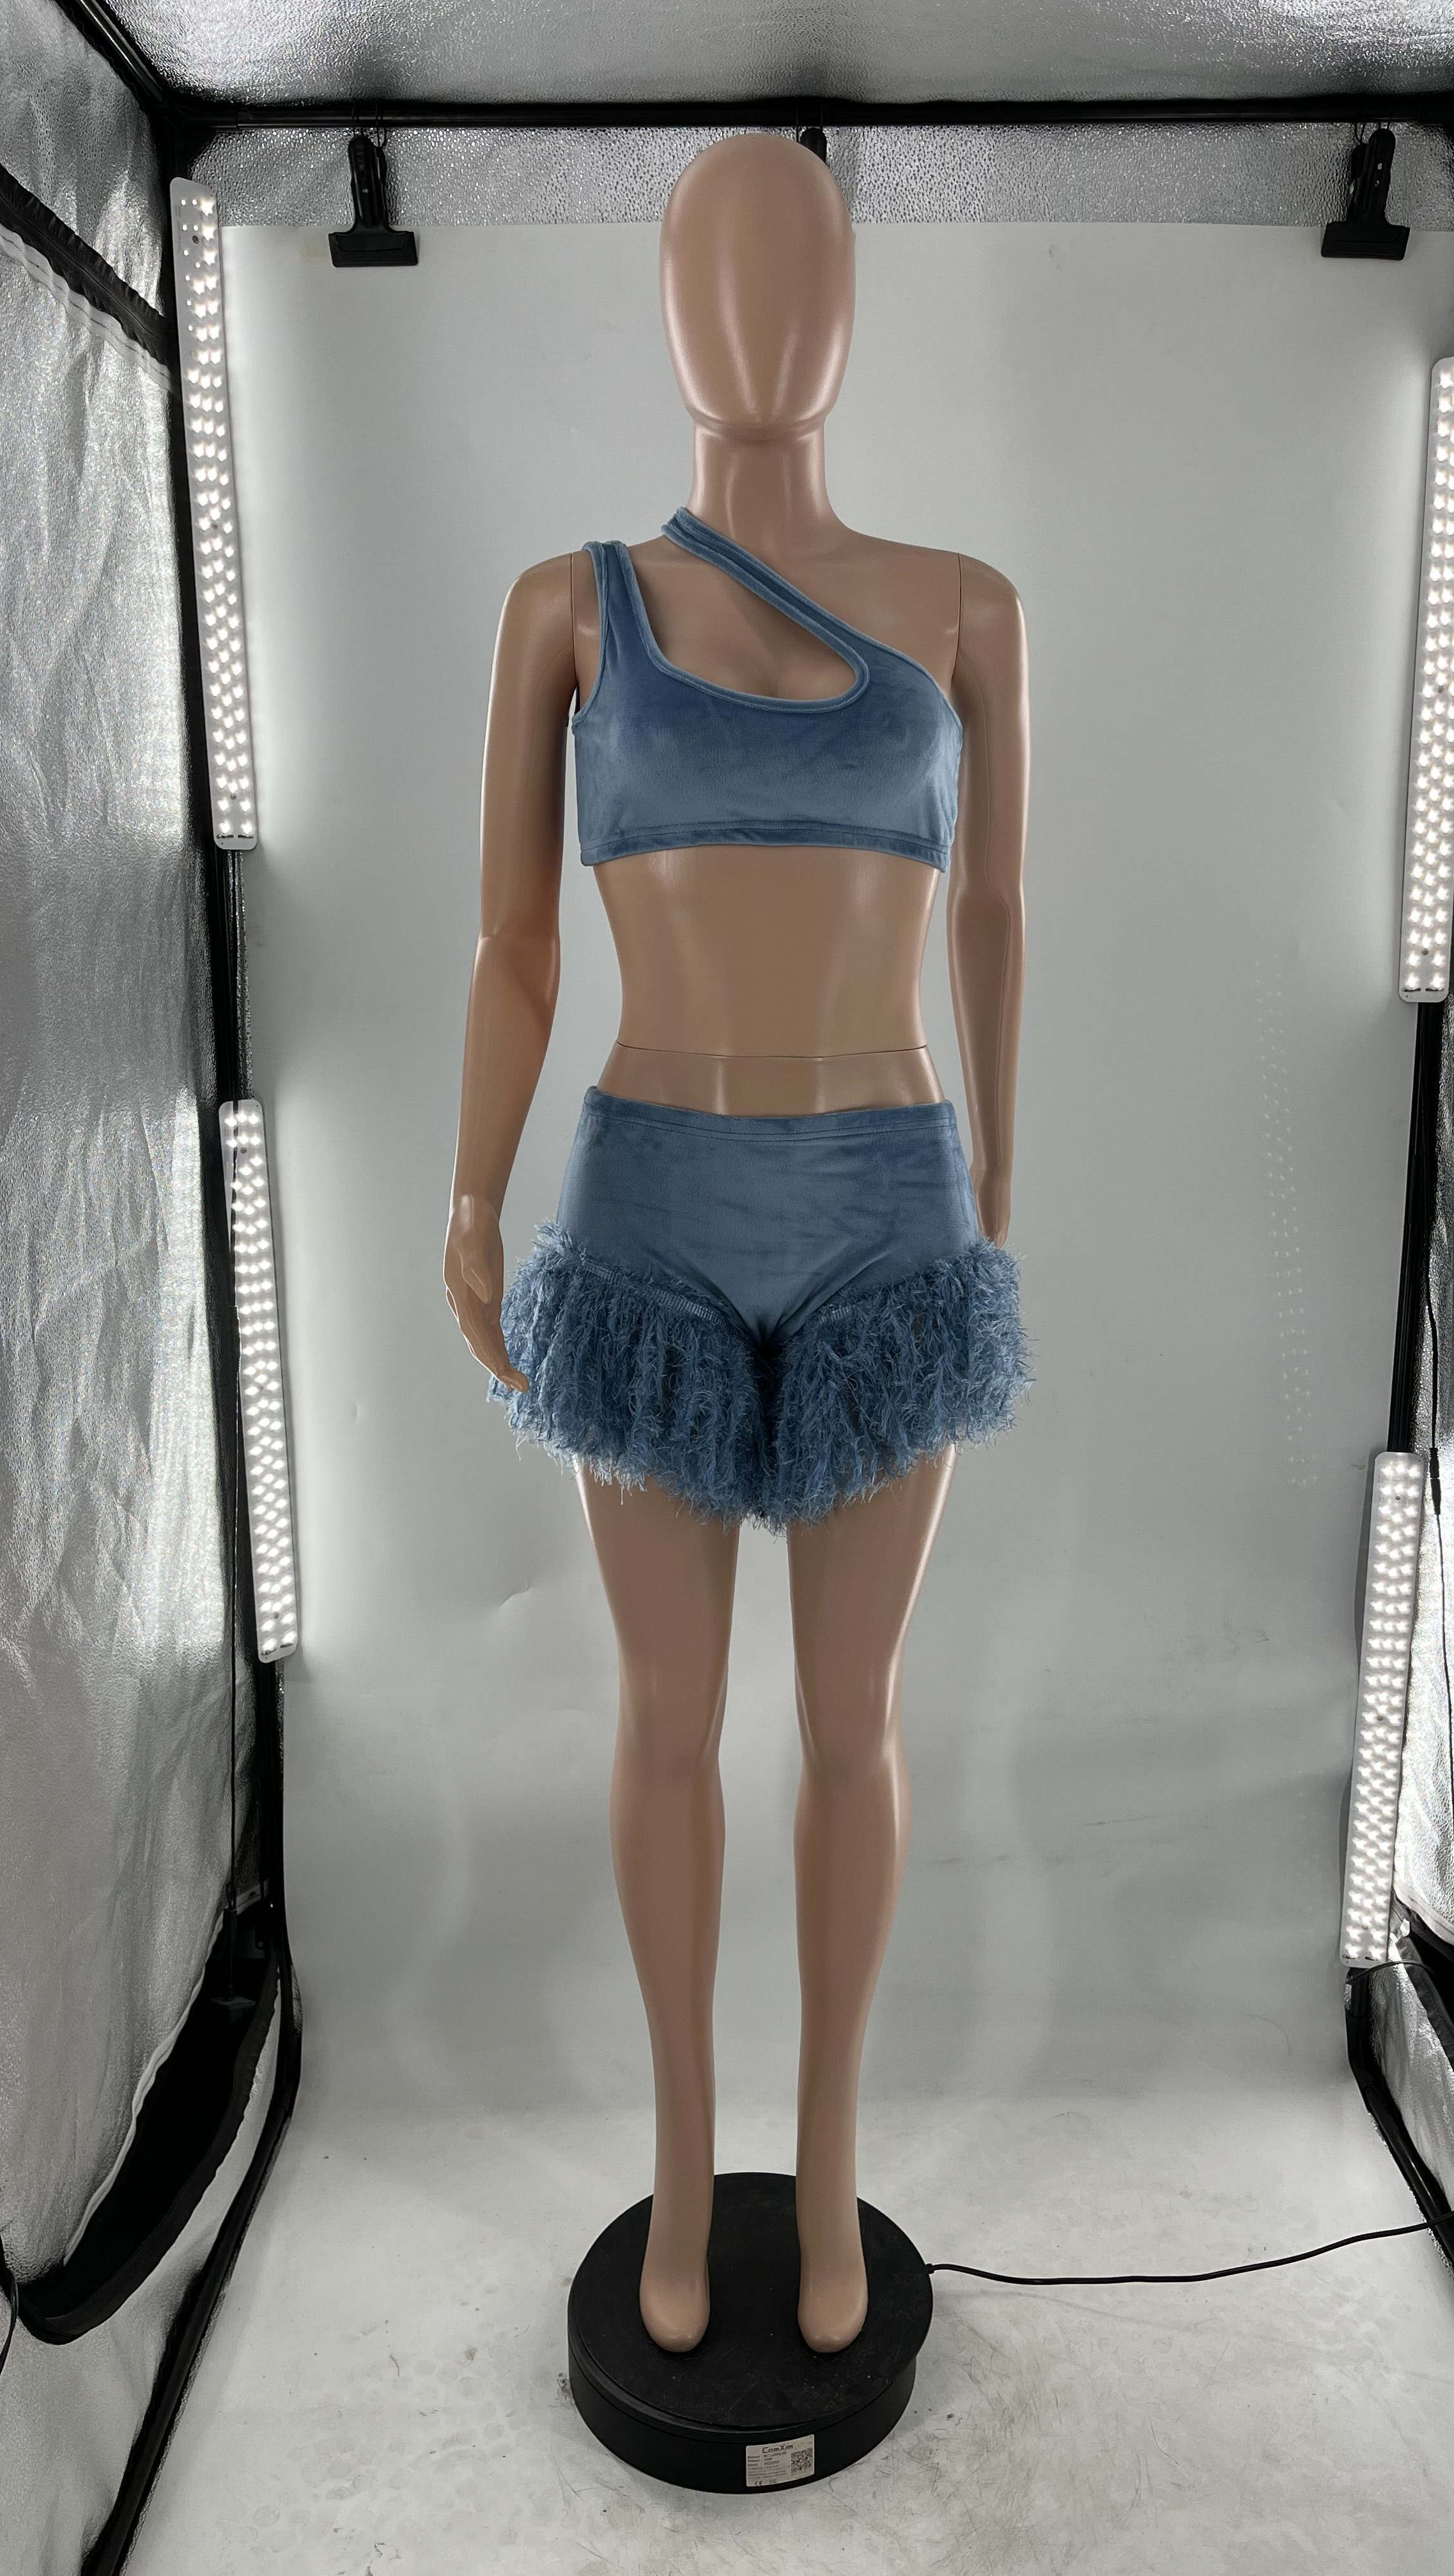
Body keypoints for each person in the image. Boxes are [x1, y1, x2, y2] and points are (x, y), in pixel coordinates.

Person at [443, 130, 1030, 2357]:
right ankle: (688, 2177)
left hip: (891, 1214)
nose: (761, 314)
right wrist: (471, 1189)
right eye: (714, 263)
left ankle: (835, 2169)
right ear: (664, 305)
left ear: (855, 310)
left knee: (853, 1729)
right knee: (669, 1724)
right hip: (648, 1221)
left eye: (803, 266)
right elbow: (512, 942)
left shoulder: (967, 607)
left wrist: (1002, 1184)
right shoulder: (566, 608)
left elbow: (995, 915)